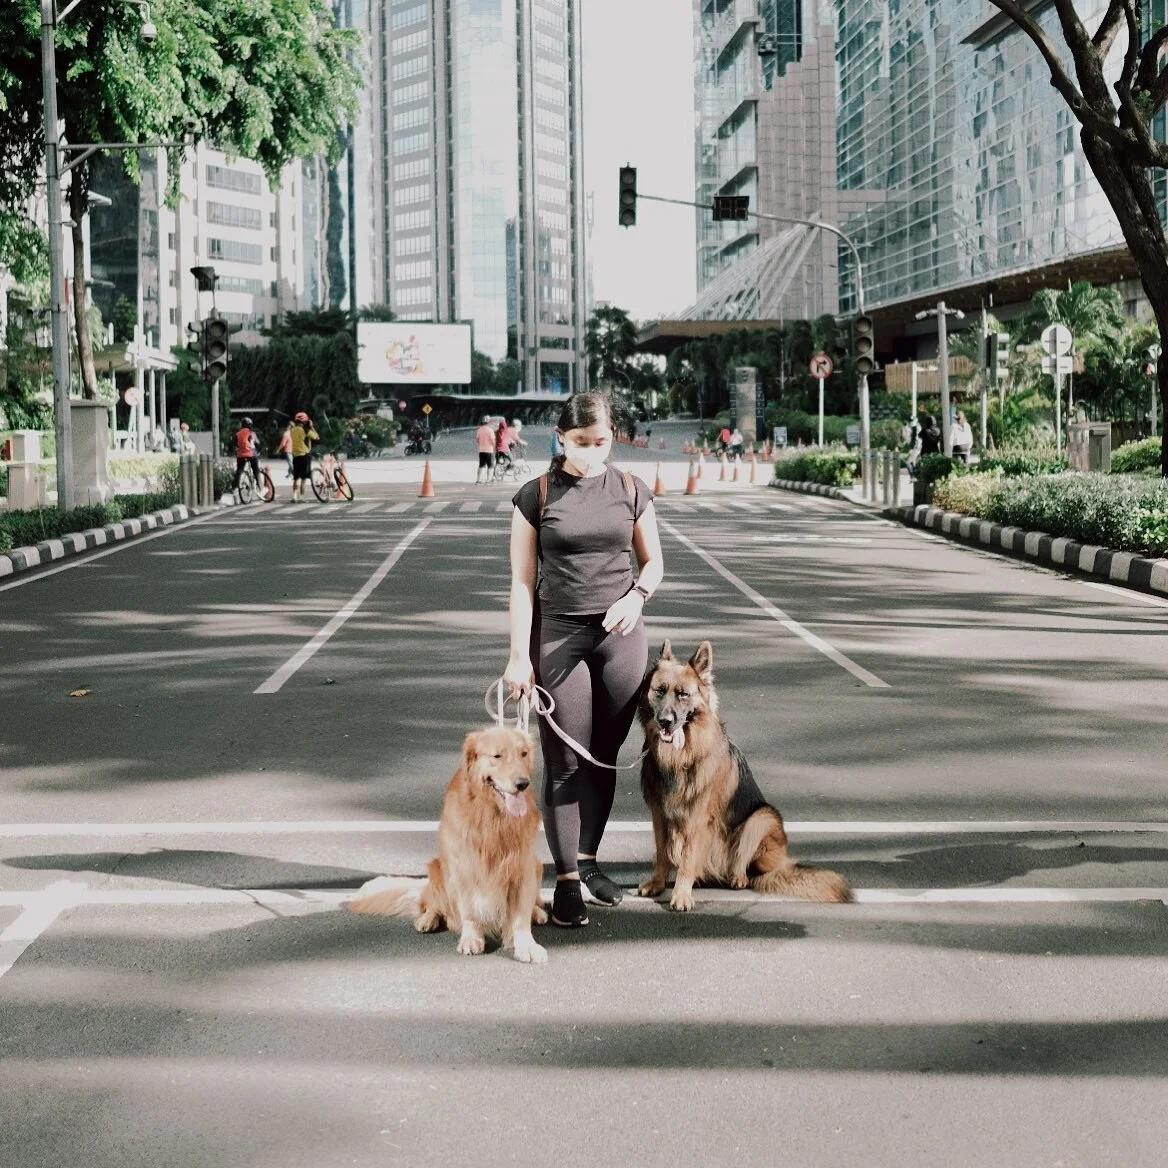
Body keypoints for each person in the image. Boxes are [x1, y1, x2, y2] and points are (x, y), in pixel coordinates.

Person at [504, 391, 665, 929]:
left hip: (621, 635)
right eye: (580, 443)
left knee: (602, 754)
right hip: (560, 636)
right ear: (560, 436)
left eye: (601, 442)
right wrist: (517, 658)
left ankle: (593, 861)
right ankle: (568, 878)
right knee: (565, 758)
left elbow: (654, 563)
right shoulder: (538, 495)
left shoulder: (630, 489)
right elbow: (522, 585)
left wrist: (635, 597)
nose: (592, 452)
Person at [289, 411, 318, 502]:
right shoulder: (306, 430)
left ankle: (294, 497)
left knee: (295, 478)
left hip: (295, 456)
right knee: (304, 478)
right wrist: (311, 426)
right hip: (305, 455)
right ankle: (301, 498)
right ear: (305, 421)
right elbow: (317, 437)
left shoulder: (292, 430)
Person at [232, 416, 262, 494]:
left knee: (239, 470)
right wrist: (258, 452)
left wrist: (236, 452)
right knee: (256, 470)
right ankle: (260, 487)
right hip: (251, 454)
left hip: (241, 455)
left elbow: (234, 445)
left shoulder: (237, 434)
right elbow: (258, 444)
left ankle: (234, 488)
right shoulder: (252, 433)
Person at [475, 414, 496, 484]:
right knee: (490, 466)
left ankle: (478, 480)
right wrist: (494, 446)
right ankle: (488, 480)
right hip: (489, 450)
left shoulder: (479, 430)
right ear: (489, 422)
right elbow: (493, 440)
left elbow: (477, 440)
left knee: (481, 465)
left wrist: (481, 444)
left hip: (481, 450)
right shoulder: (490, 430)